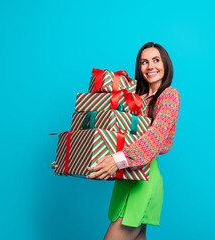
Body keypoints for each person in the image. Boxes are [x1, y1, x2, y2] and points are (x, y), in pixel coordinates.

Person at [52, 42, 180, 240]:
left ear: (166, 64)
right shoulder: (135, 99)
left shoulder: (169, 95)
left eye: (156, 60)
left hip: (144, 179)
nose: (150, 66)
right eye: (144, 62)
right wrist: (71, 162)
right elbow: (113, 141)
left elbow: (155, 137)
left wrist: (117, 160)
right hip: (128, 177)